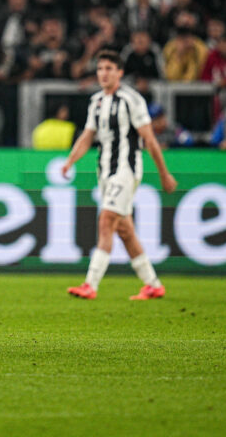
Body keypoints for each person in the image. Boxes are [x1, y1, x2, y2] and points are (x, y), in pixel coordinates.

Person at [62, 50, 177, 300]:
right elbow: (87, 136)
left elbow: (149, 139)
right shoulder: (97, 102)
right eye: (100, 68)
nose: (103, 73)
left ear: (120, 73)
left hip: (126, 169)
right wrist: (70, 161)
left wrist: (164, 174)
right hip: (104, 171)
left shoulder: (132, 100)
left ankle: (90, 284)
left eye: (109, 68)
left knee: (106, 220)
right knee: (125, 230)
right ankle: (153, 284)